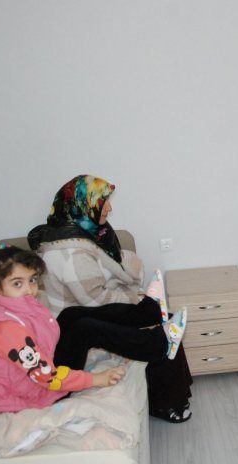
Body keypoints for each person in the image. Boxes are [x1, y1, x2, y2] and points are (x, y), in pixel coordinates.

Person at [28, 175, 193, 423]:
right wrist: (131, 293)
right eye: (102, 202)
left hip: (75, 313)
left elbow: (102, 278)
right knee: (100, 325)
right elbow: (96, 299)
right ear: (82, 205)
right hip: (76, 321)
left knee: (81, 317)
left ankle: (151, 318)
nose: (109, 208)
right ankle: (165, 390)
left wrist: (127, 287)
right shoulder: (69, 252)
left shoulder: (90, 236)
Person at [0, 244, 186, 413]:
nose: (30, 290)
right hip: (33, 391)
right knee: (85, 329)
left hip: (28, 377)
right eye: (17, 283)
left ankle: (147, 312)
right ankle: (156, 345)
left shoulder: (10, 303)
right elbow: (47, 377)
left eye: (32, 280)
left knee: (70, 314)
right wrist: (96, 379)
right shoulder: (5, 329)